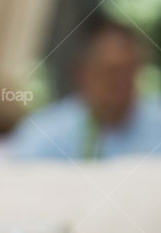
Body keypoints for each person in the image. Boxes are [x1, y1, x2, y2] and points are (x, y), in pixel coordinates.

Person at [11, 15, 161, 160]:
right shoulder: (44, 133)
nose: (120, 82)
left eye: (129, 70)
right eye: (110, 72)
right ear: (81, 73)